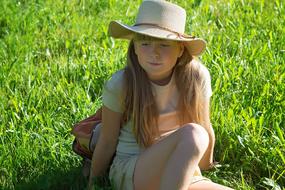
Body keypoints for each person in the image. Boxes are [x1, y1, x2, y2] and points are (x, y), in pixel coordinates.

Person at [88, 0, 234, 189]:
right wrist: (93, 183)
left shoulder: (196, 77)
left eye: (164, 45)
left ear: (180, 49)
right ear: (135, 48)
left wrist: (205, 167)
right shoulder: (121, 84)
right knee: (194, 133)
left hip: (181, 169)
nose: (154, 53)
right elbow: (107, 141)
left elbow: (206, 125)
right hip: (134, 169)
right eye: (146, 43)